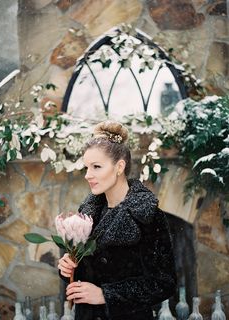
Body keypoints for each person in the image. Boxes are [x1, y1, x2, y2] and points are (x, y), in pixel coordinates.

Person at [58, 120, 177, 320]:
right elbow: (87, 273)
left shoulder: (148, 215)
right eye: (87, 167)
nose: (88, 175)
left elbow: (164, 283)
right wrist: (68, 267)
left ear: (119, 166)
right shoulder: (87, 213)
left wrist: (106, 295)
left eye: (96, 167)